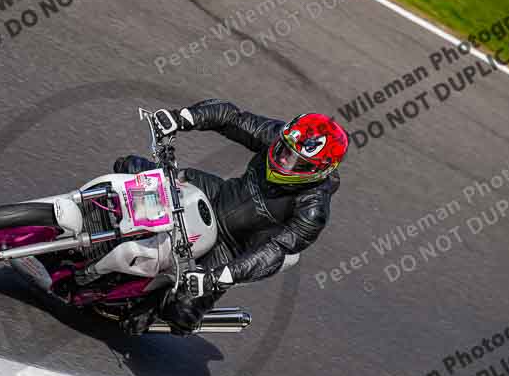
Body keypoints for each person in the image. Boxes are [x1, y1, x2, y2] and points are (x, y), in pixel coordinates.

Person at [116, 99, 349, 335]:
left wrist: (216, 279)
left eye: (298, 162)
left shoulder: (313, 210)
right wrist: (181, 118)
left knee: (181, 313)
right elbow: (232, 117)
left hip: (229, 246)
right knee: (130, 167)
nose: (284, 161)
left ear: (319, 170)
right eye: (284, 150)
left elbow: (274, 253)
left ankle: (151, 302)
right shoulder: (281, 136)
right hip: (216, 195)